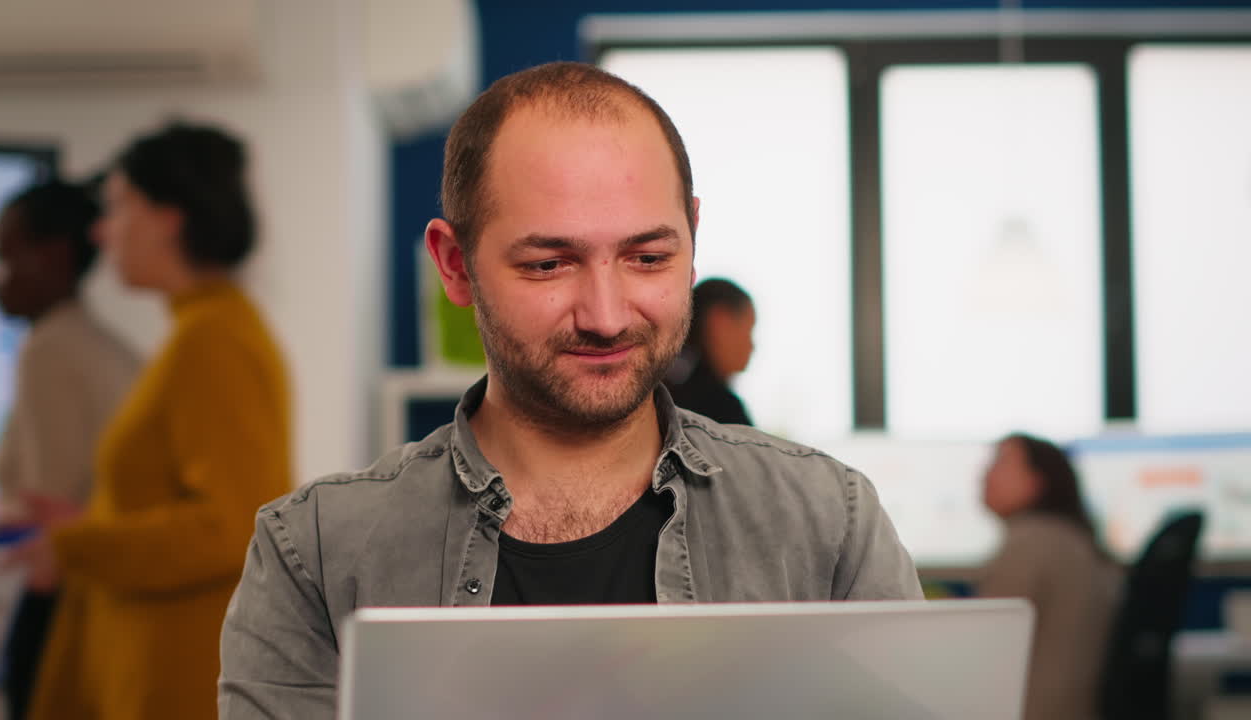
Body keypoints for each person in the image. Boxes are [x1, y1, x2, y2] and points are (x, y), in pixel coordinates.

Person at [218, 61, 920, 718]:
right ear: (456, 265)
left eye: (648, 258)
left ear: (693, 239)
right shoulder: (314, 553)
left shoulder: (829, 523)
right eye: (550, 264)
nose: (607, 316)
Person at [4, 123, 293, 720]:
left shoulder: (212, 338)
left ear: (167, 217)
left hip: (176, 675)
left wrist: (77, 542)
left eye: (116, 207)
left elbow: (230, 525)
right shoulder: (199, 330)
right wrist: (93, 522)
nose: (101, 232)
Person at [0, 181, 139, 720]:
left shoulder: (49, 348)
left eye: (5, 260)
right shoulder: (99, 344)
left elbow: (44, 499)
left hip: (65, 588)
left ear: (52, 255)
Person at [977, 433, 1121, 720]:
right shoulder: (1076, 541)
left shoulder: (1031, 543)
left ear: (1037, 481)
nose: (984, 476)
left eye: (999, 463)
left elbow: (985, 646)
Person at [665, 277, 755, 425]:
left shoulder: (659, 396)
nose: (752, 346)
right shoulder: (722, 408)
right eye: (748, 330)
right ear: (720, 322)